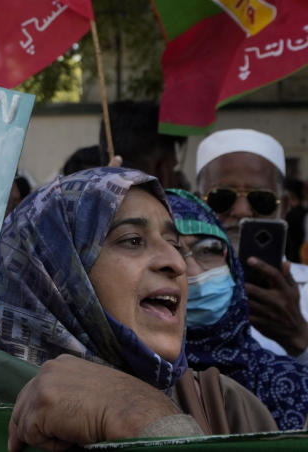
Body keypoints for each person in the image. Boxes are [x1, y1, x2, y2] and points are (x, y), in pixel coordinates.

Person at [0, 167, 276, 449]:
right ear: (54, 270)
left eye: (173, 243)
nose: (176, 263)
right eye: (133, 240)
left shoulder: (226, 407)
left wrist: (144, 418)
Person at [167, 188, 308, 430]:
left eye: (209, 249)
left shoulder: (295, 382)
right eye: (172, 250)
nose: (193, 272)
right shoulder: (113, 387)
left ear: (232, 265)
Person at [196, 128, 308, 362]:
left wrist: (299, 338)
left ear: (284, 207)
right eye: (222, 198)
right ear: (197, 202)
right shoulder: (170, 287)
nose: (242, 212)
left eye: (261, 200)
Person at [99, 100, 185, 187]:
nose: (176, 178)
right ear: (162, 171)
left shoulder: (89, 194)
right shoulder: (183, 200)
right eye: (173, 169)